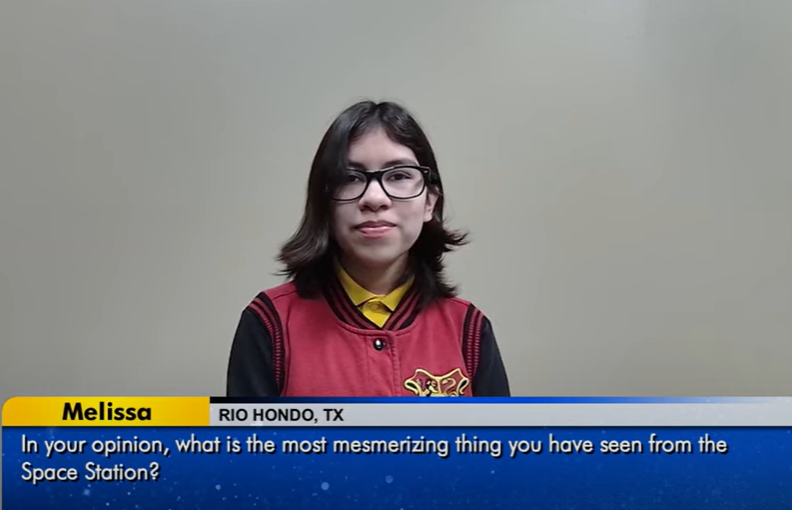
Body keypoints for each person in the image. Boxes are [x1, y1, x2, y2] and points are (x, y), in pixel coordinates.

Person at [226, 100, 510, 397]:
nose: (374, 198)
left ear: (429, 202)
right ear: (324, 202)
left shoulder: (468, 329)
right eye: (350, 178)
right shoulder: (269, 321)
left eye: (399, 175)